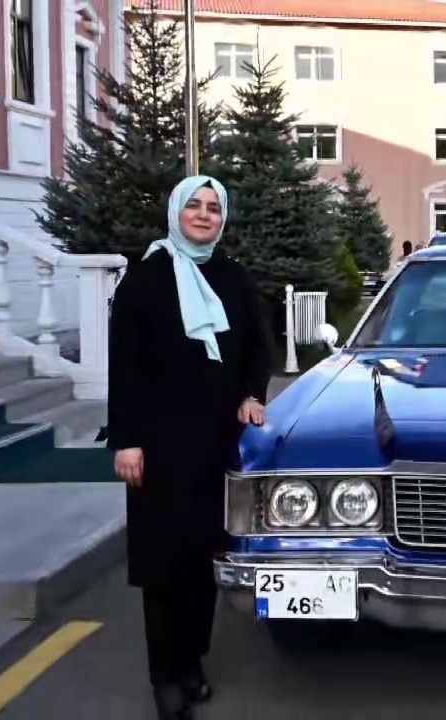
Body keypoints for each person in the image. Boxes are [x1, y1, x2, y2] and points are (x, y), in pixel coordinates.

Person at [107, 175, 273, 719]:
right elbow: (124, 366)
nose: (204, 215)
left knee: (203, 562)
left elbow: (257, 345)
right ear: (176, 212)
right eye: (194, 206)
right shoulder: (146, 279)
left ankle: (192, 661)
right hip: (156, 448)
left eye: (213, 207)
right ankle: (165, 676)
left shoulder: (232, 276)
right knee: (162, 566)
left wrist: (251, 394)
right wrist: (126, 440)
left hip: (215, 443)